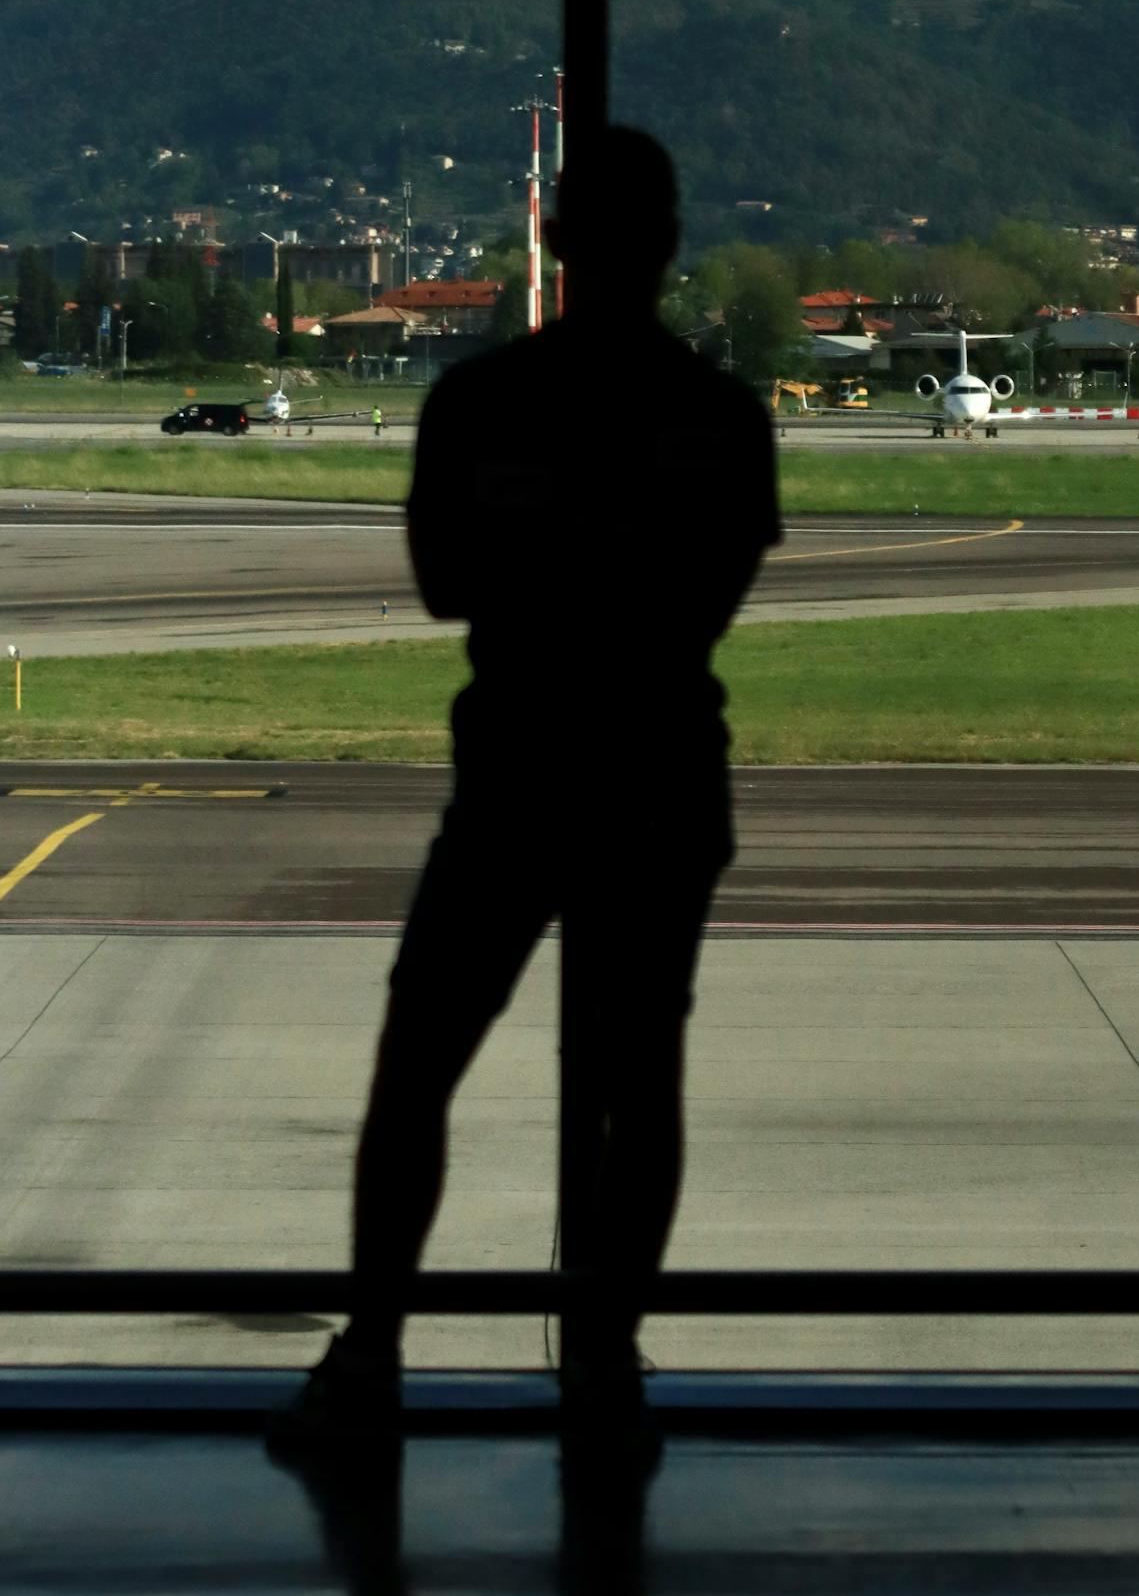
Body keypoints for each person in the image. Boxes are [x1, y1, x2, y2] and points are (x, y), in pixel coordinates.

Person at [272, 126, 780, 1454]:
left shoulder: (480, 404)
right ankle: (605, 1362)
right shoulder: (720, 417)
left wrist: (541, 560)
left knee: (416, 1069)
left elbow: (447, 587)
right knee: (640, 1079)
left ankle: (374, 1353)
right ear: (672, 246)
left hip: (515, 773)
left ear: (553, 238)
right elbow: (706, 609)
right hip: (662, 770)